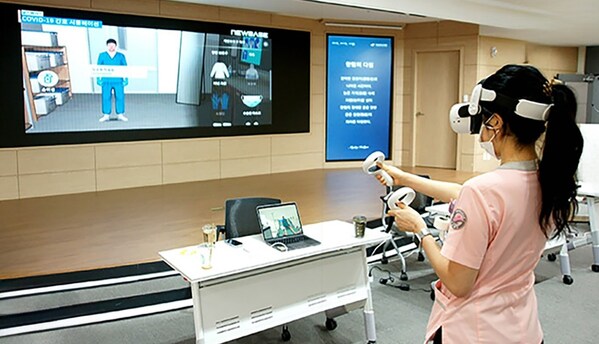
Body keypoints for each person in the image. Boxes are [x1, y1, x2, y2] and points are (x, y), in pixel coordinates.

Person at [376, 65, 583, 343]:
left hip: (473, 331)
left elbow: (458, 283)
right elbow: (467, 193)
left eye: (484, 121)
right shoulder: (548, 183)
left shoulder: (484, 192)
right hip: (523, 329)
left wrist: (419, 230)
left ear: (496, 122)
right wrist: (403, 177)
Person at [97, 38, 128, 122]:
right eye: (109, 45)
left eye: (113, 45)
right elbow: (98, 67)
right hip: (106, 80)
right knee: (106, 97)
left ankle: (120, 114)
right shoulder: (102, 55)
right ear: (107, 46)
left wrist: (126, 78)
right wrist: (98, 78)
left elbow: (125, 67)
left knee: (120, 97)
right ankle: (106, 115)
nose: (111, 47)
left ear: (116, 46)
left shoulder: (121, 56)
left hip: (118, 80)